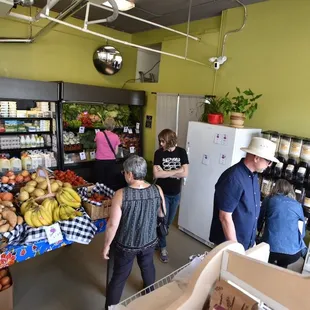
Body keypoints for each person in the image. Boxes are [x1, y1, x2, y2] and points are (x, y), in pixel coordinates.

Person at [102, 155, 166, 309]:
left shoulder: (121, 194)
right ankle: (151, 297)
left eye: (124, 172)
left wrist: (106, 246)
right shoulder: (157, 189)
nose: (123, 174)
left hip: (126, 244)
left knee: (119, 277)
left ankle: (110, 307)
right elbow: (161, 215)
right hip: (149, 240)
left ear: (130, 174)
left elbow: (112, 225)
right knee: (148, 266)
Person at [209, 137, 279, 250]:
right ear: (256, 158)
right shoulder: (233, 178)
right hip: (229, 246)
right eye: (269, 161)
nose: (269, 165)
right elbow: (225, 217)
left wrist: (252, 242)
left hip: (245, 244)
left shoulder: (253, 175)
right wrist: (236, 249)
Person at [153, 129, 189, 263]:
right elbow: (156, 175)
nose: (161, 144)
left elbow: (185, 174)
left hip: (176, 194)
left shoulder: (181, 152)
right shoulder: (159, 153)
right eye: (160, 141)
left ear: (170, 140)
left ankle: (158, 238)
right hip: (162, 193)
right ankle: (163, 247)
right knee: (163, 221)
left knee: (167, 223)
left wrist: (166, 172)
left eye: (163, 141)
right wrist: (178, 170)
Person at [257, 179, 306, 268]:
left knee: (266, 266)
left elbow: (259, 220)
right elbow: (302, 231)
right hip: (293, 252)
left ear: (275, 188)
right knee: (282, 267)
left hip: (271, 249)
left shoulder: (269, 200)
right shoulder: (297, 205)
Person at [94, 117, 124, 190]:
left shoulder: (98, 134)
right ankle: (109, 199)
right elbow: (116, 152)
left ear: (104, 124)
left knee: (100, 182)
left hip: (99, 162)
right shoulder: (116, 136)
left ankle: (100, 198)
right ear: (113, 126)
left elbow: (96, 145)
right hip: (111, 162)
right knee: (110, 183)